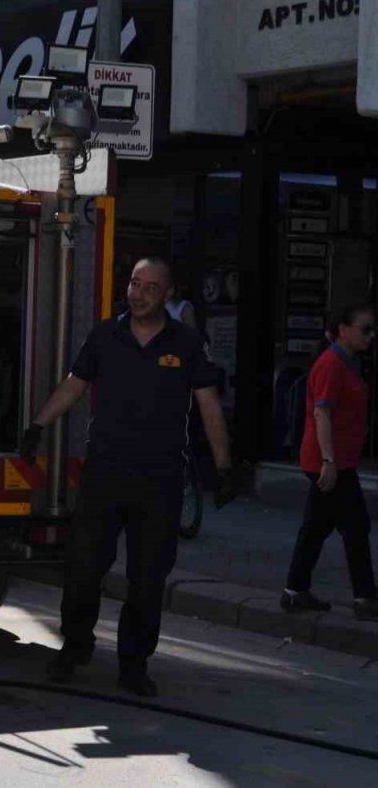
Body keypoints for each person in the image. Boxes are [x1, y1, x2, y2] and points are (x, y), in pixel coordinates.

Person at [21, 257, 238, 697]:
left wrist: (224, 467)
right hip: (105, 472)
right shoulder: (106, 335)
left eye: (149, 288)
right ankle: (75, 647)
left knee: (147, 576)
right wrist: (38, 426)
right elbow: (74, 384)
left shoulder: (187, 343)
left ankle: (134, 663)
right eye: (134, 284)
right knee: (83, 567)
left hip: (160, 479)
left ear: (168, 295)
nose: (137, 294)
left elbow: (209, 406)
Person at [282, 304, 378, 622]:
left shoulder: (349, 363)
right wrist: (329, 461)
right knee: (355, 526)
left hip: (336, 459)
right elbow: (322, 413)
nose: (371, 335)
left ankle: (295, 591)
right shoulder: (332, 365)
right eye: (365, 329)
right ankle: (365, 598)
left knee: (316, 526)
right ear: (343, 330)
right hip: (329, 460)